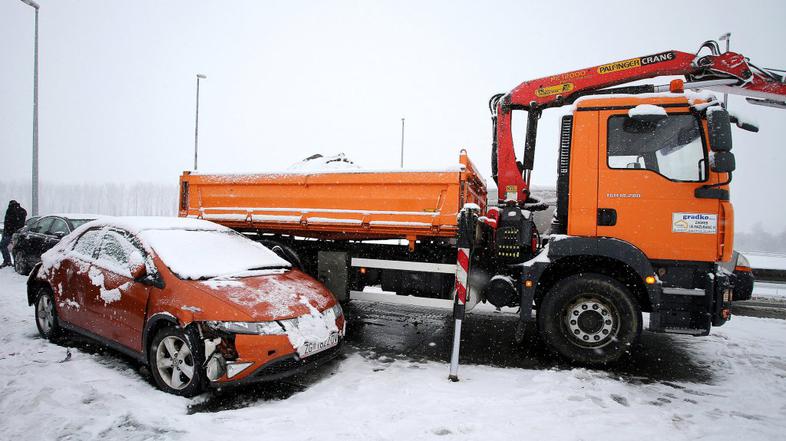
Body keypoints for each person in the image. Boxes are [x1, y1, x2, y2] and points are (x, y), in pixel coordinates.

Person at [1, 200, 27, 268]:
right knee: (16, 248)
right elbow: (21, 223)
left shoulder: (10, 210)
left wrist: (10, 230)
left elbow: (8, 222)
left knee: (3, 246)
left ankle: (7, 261)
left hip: (9, 232)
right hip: (13, 232)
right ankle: (10, 261)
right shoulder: (22, 211)